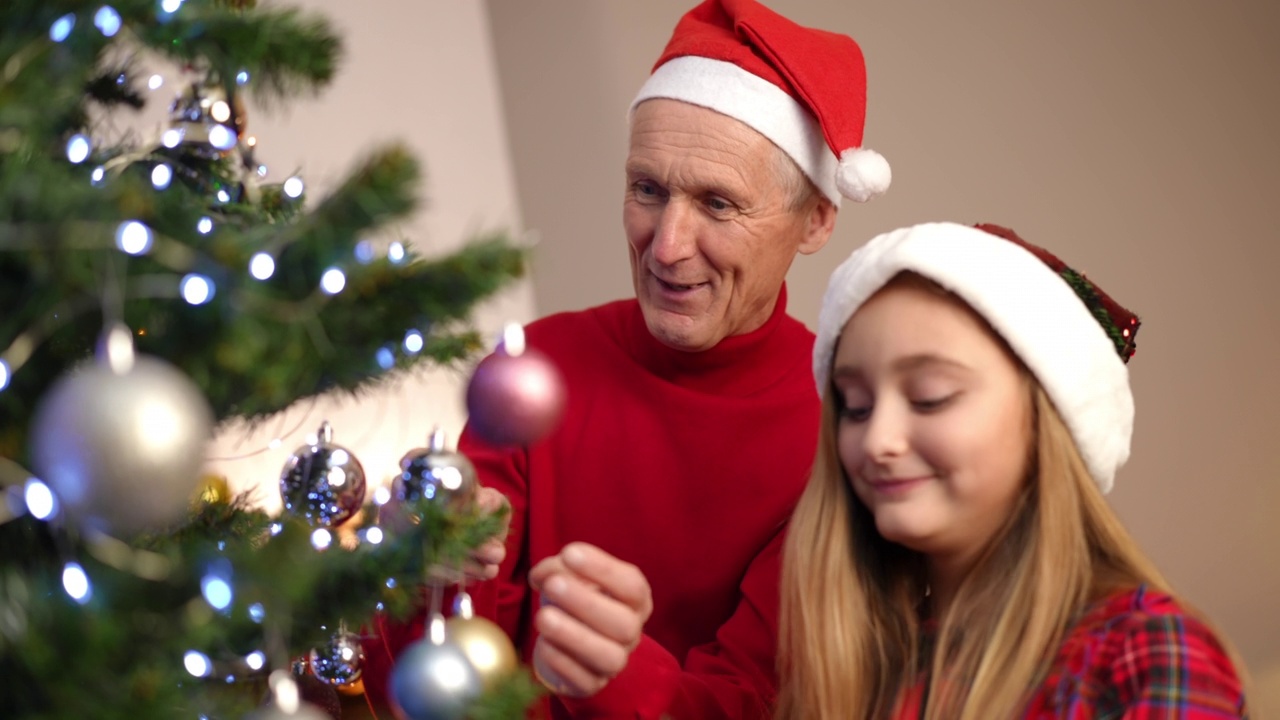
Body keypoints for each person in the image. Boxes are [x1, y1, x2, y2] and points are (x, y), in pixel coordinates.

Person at [361, 1, 891, 717]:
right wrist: (417, 572)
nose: (667, 246)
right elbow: (429, 677)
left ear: (816, 220)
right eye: (647, 189)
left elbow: (763, 702)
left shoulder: (844, 435)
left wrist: (614, 673)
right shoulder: (534, 370)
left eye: (718, 204)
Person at [777, 221, 1250, 719]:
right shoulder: (862, 671)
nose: (877, 441)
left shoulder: (1146, 655)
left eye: (929, 397)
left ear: (1045, 422)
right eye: (855, 407)